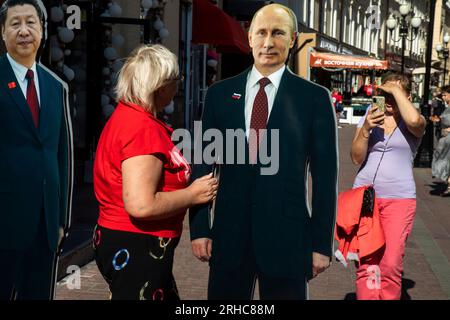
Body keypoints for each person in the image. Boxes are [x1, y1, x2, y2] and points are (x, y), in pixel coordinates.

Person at [189, 4, 338, 300]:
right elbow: (202, 166)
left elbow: (325, 179)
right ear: (249, 37)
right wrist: (200, 228)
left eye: (278, 33)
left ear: (293, 39)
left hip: (288, 240)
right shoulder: (220, 95)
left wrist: (321, 245)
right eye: (262, 33)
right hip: (229, 238)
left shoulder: (314, 99)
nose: (268, 43)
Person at [93, 44, 218, 300]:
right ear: (161, 87)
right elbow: (141, 204)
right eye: (176, 80)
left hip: (137, 242)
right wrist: (193, 194)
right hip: (138, 243)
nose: (179, 86)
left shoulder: (135, 119)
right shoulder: (140, 128)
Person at [0, 0, 72, 300]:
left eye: (31, 22)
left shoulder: (56, 87)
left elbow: (63, 157)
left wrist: (62, 222)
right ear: (2, 32)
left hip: (45, 226)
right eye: (15, 23)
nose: (24, 31)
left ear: (42, 30)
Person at [350, 73, 426, 300]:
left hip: (399, 200)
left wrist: (396, 91)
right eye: (384, 94)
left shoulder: (414, 121)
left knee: (391, 264)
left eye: (393, 95)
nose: (388, 100)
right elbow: (355, 158)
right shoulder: (370, 116)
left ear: (407, 96)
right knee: (366, 262)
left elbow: (414, 122)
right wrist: (365, 129)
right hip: (365, 197)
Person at [431, 85, 450, 196]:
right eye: (442, 95)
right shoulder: (447, 106)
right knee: (444, 160)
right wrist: (437, 120)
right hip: (445, 139)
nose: (443, 97)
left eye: (445, 95)